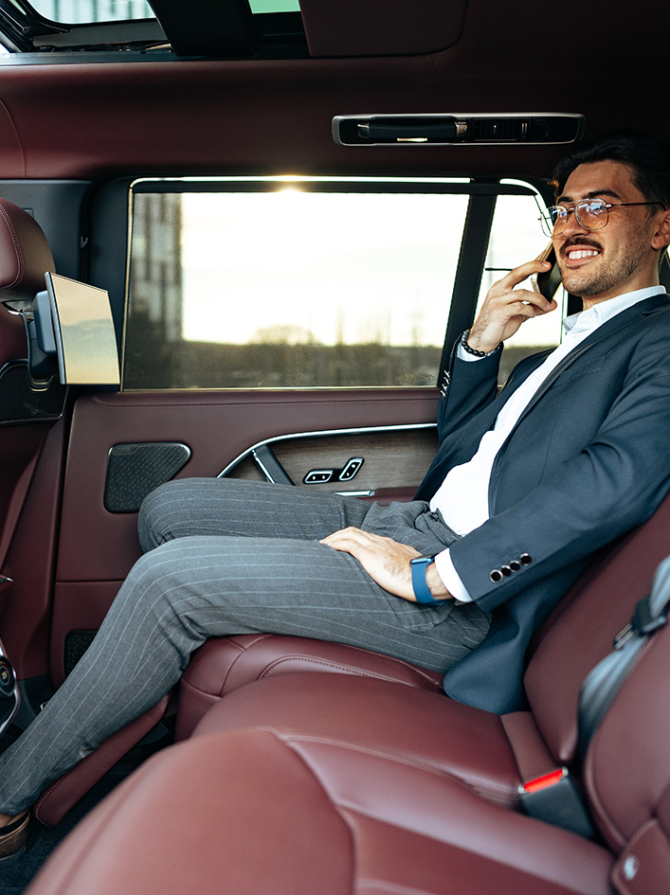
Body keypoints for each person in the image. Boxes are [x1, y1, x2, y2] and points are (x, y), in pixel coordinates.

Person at [1, 132, 670, 858]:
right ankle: (139, 684)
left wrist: (433, 576)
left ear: (661, 224)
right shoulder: (575, 335)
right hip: (416, 517)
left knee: (170, 579)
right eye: (563, 208)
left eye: (599, 205)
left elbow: (618, 478)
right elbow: (474, 449)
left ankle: (9, 798)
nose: (572, 223)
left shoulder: (658, 339)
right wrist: (483, 340)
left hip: (470, 594)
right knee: (171, 507)